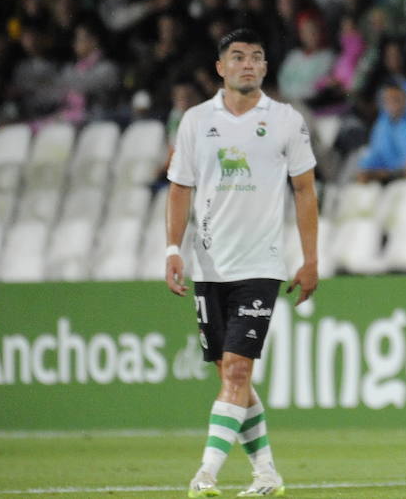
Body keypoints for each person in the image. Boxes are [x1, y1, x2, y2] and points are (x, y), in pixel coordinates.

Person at [164, 27, 320, 498]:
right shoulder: (194, 121)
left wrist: (310, 259)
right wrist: (173, 249)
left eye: (256, 56)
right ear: (221, 67)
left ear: (266, 68)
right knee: (234, 377)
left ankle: (205, 475)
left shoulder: (287, 121)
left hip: (262, 265)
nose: (247, 64)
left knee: (236, 369)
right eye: (237, 56)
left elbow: (305, 190)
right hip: (210, 266)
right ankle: (268, 475)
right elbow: (179, 189)